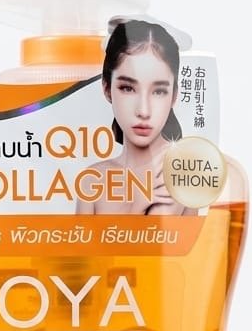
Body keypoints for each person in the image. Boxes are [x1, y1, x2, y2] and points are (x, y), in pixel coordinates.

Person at [76, 19, 194, 216]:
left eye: (159, 91)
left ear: (173, 96)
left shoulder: (186, 178)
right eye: (128, 88)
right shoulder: (92, 180)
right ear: (107, 89)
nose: (143, 111)